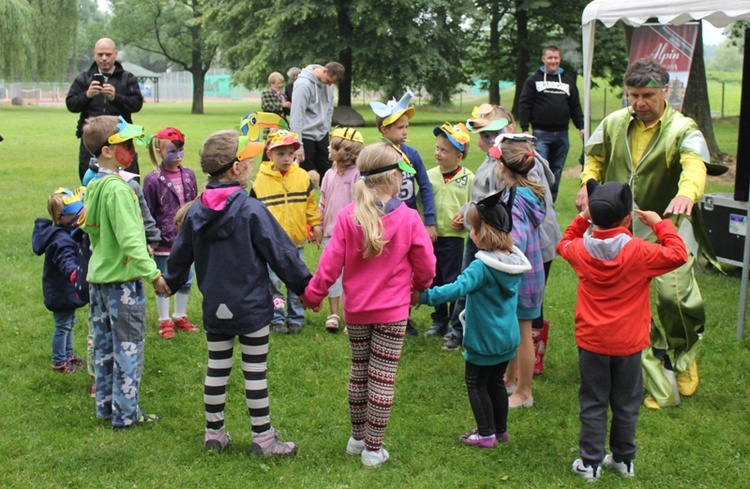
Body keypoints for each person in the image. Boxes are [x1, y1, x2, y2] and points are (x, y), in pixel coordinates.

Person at [575, 57, 716, 409]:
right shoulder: (613, 122)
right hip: (622, 230)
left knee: (675, 297)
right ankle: (652, 363)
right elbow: (593, 158)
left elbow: (694, 164)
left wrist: (687, 193)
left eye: (648, 95)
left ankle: (685, 356)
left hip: (666, 226)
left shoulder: (683, 128)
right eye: (633, 95)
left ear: (666, 92)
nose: (639, 103)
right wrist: (587, 184)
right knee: (631, 302)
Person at [165, 130, 311, 456]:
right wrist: (306, 288)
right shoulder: (251, 210)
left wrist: (168, 282)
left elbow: (178, 257)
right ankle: (263, 439)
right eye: (247, 159)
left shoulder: (195, 212)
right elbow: (282, 254)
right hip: (252, 308)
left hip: (216, 307)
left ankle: (213, 434)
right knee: (254, 372)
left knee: (217, 368)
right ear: (236, 169)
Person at [301, 141, 436, 467]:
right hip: (393, 313)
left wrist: (313, 295)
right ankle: (373, 449)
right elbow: (427, 267)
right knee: (382, 379)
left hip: (357, 312)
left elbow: (328, 265)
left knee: (359, 374)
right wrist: (419, 287)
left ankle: (357, 438)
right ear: (393, 177)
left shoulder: (349, 217)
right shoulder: (409, 218)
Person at [559, 181, 688, 480]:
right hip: (630, 343)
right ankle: (623, 460)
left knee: (593, 402)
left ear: (595, 216)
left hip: (592, 342)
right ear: (628, 218)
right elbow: (678, 254)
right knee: (626, 403)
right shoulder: (641, 252)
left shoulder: (578, 250)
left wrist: (582, 218)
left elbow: (563, 242)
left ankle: (589, 464)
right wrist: (660, 224)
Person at [419, 189, 531, 448]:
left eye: (472, 228)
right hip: (507, 339)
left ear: (481, 233)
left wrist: (423, 297)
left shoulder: (482, 266)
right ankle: (500, 430)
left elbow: (455, 289)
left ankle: (486, 433)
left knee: (476, 383)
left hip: (484, 339)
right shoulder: (511, 261)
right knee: (495, 382)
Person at [79, 115, 170, 429]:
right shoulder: (119, 189)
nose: (132, 150)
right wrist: (153, 274)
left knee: (104, 346)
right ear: (107, 150)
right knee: (129, 347)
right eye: (126, 145)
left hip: (99, 280)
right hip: (123, 283)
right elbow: (131, 238)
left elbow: (90, 229)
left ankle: (106, 407)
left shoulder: (95, 184)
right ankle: (126, 415)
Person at [371, 90, 437, 336]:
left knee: (406, 270)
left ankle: (402, 316)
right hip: (381, 223)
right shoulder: (376, 156)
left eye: (406, 126)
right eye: (399, 127)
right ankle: (378, 313)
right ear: (384, 130)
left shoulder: (412, 155)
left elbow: (425, 187)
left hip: (407, 224)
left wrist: (429, 221)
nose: (405, 132)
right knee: (382, 268)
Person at [490, 134, 546, 410]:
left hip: (520, 276)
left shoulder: (514, 199)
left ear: (502, 166)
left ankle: (524, 392)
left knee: (523, 334)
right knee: (516, 330)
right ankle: (509, 379)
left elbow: (516, 241)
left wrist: (499, 251)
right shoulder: (528, 194)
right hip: (531, 274)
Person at [251, 130, 322, 334]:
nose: (286, 158)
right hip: (272, 245)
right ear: (269, 154)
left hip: (297, 243)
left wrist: (315, 224)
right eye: (280, 153)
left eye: (290, 153)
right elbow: (254, 212)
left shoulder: (301, 177)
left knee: (296, 282)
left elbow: (310, 204)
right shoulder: (260, 181)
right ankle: (276, 317)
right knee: (274, 283)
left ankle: (296, 317)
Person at [143, 127, 199, 339]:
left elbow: (194, 204)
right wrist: (150, 238)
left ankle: (179, 315)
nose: (177, 156)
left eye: (180, 151)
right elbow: (146, 210)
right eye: (172, 151)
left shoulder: (189, 175)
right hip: (164, 242)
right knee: (164, 280)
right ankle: (164, 319)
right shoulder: (152, 180)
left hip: (186, 239)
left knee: (186, 279)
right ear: (159, 151)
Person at [422, 122, 474, 338]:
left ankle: (456, 324)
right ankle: (439, 320)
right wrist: (427, 225)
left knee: (453, 280)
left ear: (458, 156)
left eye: (444, 150)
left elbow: (474, 205)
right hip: (431, 238)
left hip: (453, 239)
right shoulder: (428, 176)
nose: (438, 153)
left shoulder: (469, 178)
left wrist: (465, 219)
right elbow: (421, 203)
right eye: (437, 148)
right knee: (435, 279)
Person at [66, 38, 144, 183]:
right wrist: (87, 96)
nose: (104, 58)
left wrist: (116, 98)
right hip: (91, 139)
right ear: (94, 54)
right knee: (90, 183)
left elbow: (137, 104)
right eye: (100, 54)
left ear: (115, 54)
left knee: (129, 183)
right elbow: (71, 104)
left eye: (108, 54)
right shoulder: (84, 79)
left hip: (121, 137)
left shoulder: (127, 79)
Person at [518, 45, 585, 202]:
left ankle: (550, 203)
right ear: (543, 59)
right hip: (541, 134)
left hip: (562, 134)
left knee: (556, 170)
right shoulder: (533, 80)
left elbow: (575, 106)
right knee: (540, 169)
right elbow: (525, 104)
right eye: (550, 58)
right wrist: (525, 128)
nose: (553, 61)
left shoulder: (568, 82)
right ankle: (539, 202)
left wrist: (581, 126)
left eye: (556, 58)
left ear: (560, 59)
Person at [32, 187, 88, 374]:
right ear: (60, 215)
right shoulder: (60, 239)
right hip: (61, 290)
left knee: (69, 323)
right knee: (63, 326)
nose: (79, 216)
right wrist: (75, 275)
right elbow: (66, 260)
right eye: (75, 213)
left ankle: (68, 355)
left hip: (67, 290)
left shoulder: (65, 232)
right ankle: (59, 361)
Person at [318, 126, 365, 333]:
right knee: (332, 274)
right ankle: (334, 313)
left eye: (333, 145)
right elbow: (322, 201)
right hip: (330, 233)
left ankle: (353, 316)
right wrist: (318, 225)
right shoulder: (328, 174)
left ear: (345, 152)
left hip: (352, 235)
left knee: (352, 276)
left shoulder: (358, 176)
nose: (328, 147)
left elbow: (360, 204)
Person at [289, 62, 345, 186]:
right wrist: (298, 145)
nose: (330, 85)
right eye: (329, 81)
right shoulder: (303, 85)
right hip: (305, 135)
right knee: (305, 177)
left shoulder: (329, 85)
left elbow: (329, 109)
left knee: (327, 174)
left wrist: (327, 131)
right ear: (324, 71)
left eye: (332, 83)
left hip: (322, 135)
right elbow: (296, 116)